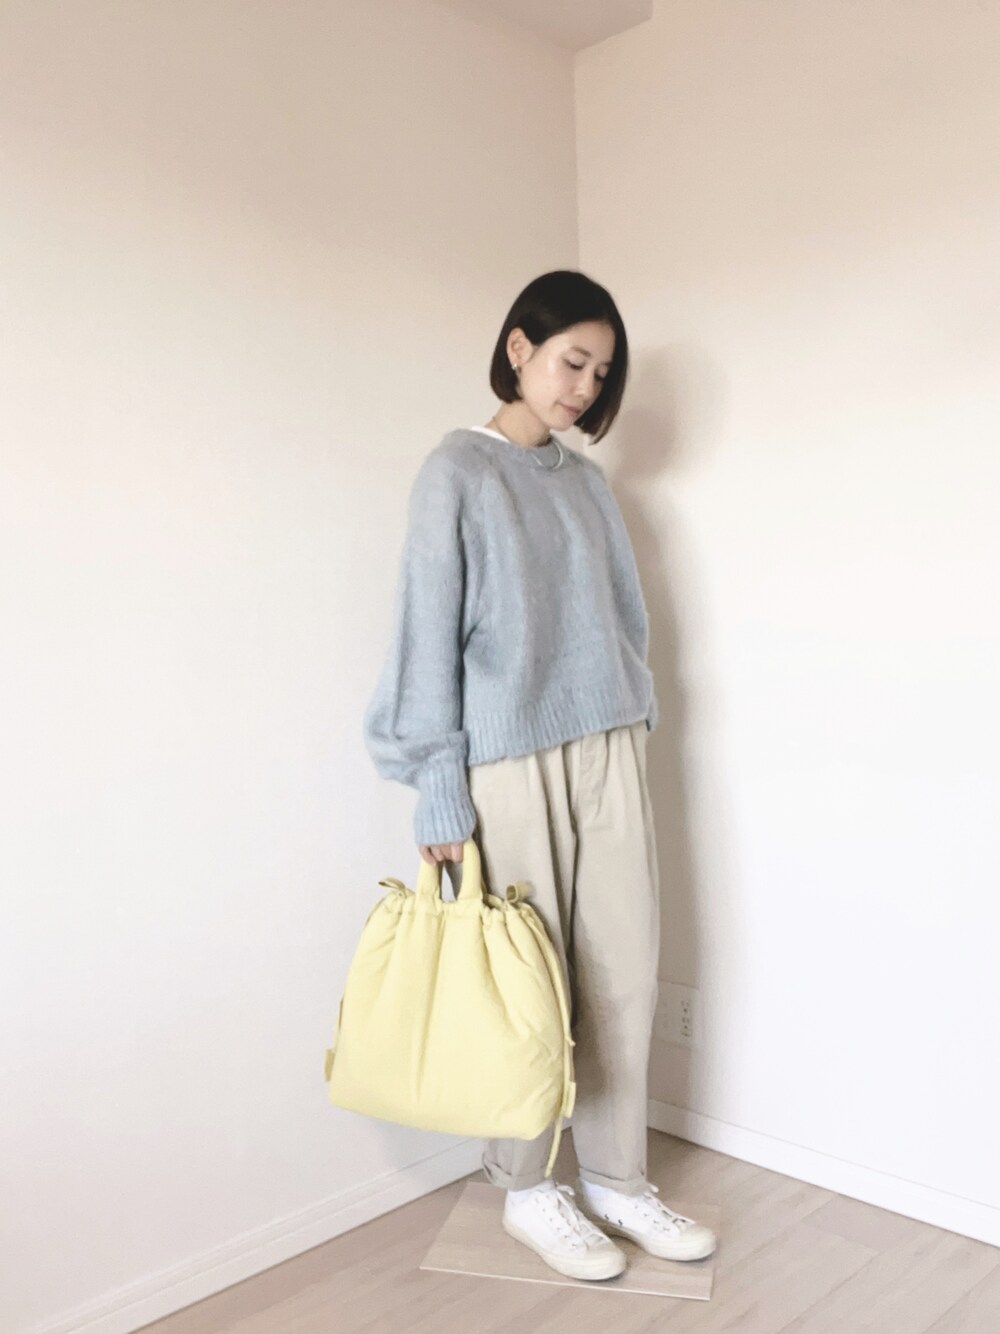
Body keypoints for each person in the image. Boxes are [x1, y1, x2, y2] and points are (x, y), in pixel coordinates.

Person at [362, 269, 715, 1280]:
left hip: (608, 747)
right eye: (572, 361)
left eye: (600, 373)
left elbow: (625, 619)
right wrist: (438, 784)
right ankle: (525, 1187)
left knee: (622, 970)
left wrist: (635, 711)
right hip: (505, 759)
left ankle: (616, 1177)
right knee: (526, 986)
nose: (584, 387)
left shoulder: (588, 484)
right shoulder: (455, 471)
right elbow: (425, 636)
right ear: (519, 347)